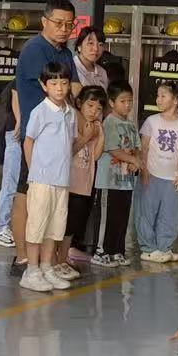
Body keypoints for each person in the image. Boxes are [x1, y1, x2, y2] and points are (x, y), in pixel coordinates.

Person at [8, 0, 77, 268]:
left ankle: (47, 261)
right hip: (37, 138)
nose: (64, 29)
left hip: (58, 140)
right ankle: (24, 256)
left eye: (69, 25)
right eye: (58, 23)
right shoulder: (35, 49)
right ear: (44, 21)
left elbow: (76, 89)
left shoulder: (66, 53)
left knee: (52, 203)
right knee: (27, 194)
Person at [21, 61, 76, 293]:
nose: (60, 88)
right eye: (54, 83)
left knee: (55, 226)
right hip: (42, 179)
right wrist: (34, 171)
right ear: (44, 86)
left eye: (64, 83)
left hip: (61, 180)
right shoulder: (40, 111)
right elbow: (28, 141)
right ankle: (31, 270)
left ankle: (46, 267)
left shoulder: (70, 113)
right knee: (37, 225)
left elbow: (70, 143)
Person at [137, 81, 178, 263]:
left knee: (170, 214)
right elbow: (143, 148)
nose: (158, 99)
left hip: (172, 178)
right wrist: (144, 170)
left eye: (163, 96)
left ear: (175, 100)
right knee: (147, 212)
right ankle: (148, 249)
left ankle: (164, 247)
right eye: (157, 95)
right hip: (151, 174)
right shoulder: (151, 121)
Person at [91, 82, 142, 267]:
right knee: (106, 216)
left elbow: (136, 147)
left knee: (121, 217)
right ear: (112, 103)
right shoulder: (109, 122)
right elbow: (112, 149)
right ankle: (100, 250)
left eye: (130, 101)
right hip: (108, 181)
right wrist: (134, 161)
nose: (127, 105)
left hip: (125, 182)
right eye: (123, 101)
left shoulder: (130, 124)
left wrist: (136, 160)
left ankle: (117, 250)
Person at [66, 85, 107, 266]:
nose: (94, 111)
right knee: (64, 223)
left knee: (76, 221)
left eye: (98, 108)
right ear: (79, 103)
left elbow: (95, 156)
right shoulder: (73, 119)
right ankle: (61, 256)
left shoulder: (96, 126)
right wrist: (85, 137)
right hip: (69, 182)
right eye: (90, 106)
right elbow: (68, 151)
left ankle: (68, 252)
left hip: (85, 183)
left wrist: (101, 135)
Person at [70, 26, 109, 91]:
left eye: (100, 45)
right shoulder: (70, 68)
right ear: (79, 46)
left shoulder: (102, 72)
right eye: (90, 43)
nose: (96, 49)